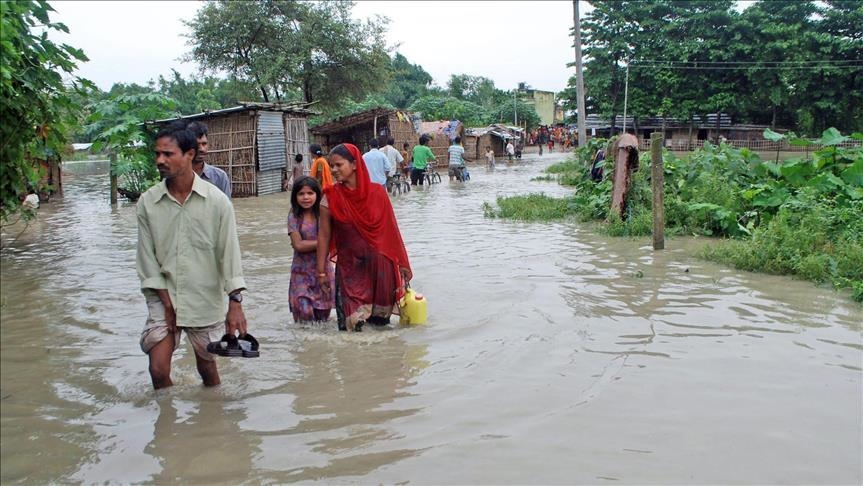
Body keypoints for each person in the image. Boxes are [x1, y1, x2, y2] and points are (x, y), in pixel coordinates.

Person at [136, 121, 248, 389]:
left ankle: (213, 409)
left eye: (168, 154)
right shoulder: (148, 202)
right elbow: (147, 259)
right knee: (158, 370)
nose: (160, 160)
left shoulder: (217, 201)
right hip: (163, 294)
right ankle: (167, 413)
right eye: (157, 154)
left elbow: (229, 253)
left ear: (189, 154)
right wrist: (167, 304)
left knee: (207, 366)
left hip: (203, 294)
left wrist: (235, 302)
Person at [316, 143, 412, 331]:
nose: (334, 170)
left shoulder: (378, 193)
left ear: (354, 164)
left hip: (380, 267)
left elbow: (391, 231)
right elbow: (324, 236)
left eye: (338, 165)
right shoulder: (329, 198)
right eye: (331, 166)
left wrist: (402, 263)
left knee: (381, 329)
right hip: (349, 269)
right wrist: (321, 272)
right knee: (351, 328)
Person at [288, 176, 335, 322]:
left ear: (317, 195)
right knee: (304, 313)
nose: (306, 197)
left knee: (323, 320)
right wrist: (324, 242)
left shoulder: (324, 214)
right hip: (300, 274)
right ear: (295, 196)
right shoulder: (294, 215)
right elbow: (298, 245)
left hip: (323, 271)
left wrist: (321, 242)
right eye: (301, 194)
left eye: (310, 193)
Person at [187, 121, 231, 198]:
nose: (202, 149)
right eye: (196, 144)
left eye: (204, 144)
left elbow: (226, 205)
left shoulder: (220, 177)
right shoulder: (175, 178)